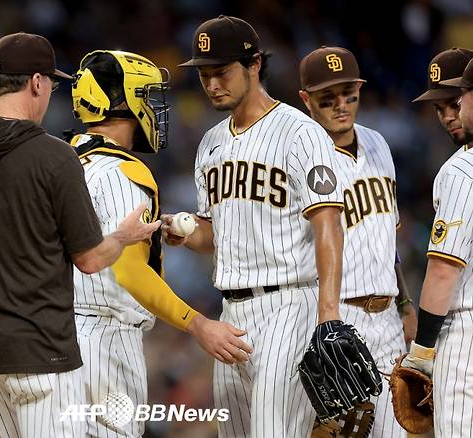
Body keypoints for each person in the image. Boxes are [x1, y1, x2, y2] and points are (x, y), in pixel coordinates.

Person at [0, 33, 160, 438]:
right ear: (37, 83)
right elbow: (91, 260)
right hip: (42, 354)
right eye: (51, 85)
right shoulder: (55, 156)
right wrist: (123, 236)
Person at [170, 15, 347, 437]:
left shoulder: (300, 133)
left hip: (289, 304)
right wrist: (183, 233)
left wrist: (328, 315)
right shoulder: (210, 142)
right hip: (230, 314)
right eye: (205, 75)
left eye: (221, 72)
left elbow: (329, 223)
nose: (212, 84)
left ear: (253, 66)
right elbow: (214, 234)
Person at [68, 49, 253, 438]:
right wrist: (198, 324)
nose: (153, 106)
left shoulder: (64, 160)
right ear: (122, 101)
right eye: (146, 95)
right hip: (105, 341)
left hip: (58, 336)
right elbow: (130, 272)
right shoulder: (124, 171)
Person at [298, 46, 416, 437]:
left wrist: (404, 303)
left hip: (387, 320)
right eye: (327, 99)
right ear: (306, 100)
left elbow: (387, 236)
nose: (341, 106)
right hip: (336, 321)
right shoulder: (298, 153)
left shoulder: (379, 144)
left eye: (350, 94)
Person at [401, 52, 473, 438]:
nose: (449, 114)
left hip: (464, 335)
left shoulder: (460, 171)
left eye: (456, 101)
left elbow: (444, 270)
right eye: (439, 107)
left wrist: (422, 352)